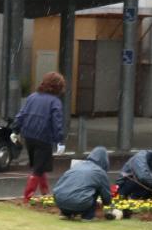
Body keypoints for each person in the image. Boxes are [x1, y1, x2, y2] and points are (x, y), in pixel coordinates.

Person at [13, 72, 67, 203]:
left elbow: (22, 114)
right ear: (58, 87)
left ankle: (45, 193)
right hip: (44, 138)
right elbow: (57, 123)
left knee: (39, 166)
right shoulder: (55, 102)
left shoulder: (32, 97)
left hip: (29, 136)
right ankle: (27, 197)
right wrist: (60, 141)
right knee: (38, 169)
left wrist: (15, 130)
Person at [51, 145, 111, 220]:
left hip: (59, 201)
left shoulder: (77, 166)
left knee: (75, 187)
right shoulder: (100, 172)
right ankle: (88, 216)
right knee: (95, 189)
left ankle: (65, 214)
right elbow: (106, 194)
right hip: (80, 203)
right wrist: (107, 203)